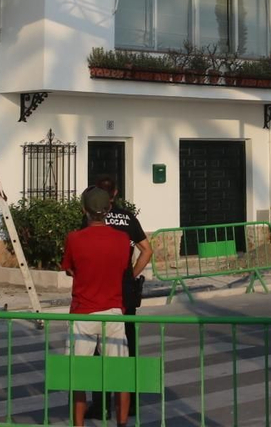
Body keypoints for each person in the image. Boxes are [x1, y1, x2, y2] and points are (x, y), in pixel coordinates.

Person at [61, 186, 135, 427]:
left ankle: (78, 425)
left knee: (78, 376)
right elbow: (124, 267)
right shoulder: (122, 239)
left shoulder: (74, 238)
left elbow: (70, 268)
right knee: (120, 376)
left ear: (84, 210)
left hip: (82, 313)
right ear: (108, 209)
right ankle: (122, 423)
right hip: (114, 312)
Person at [93, 174, 152, 407]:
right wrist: (132, 274)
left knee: (98, 348)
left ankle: (100, 403)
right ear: (115, 193)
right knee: (127, 345)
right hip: (124, 291)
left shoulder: (92, 219)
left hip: (98, 290)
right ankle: (130, 403)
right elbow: (147, 250)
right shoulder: (127, 218)